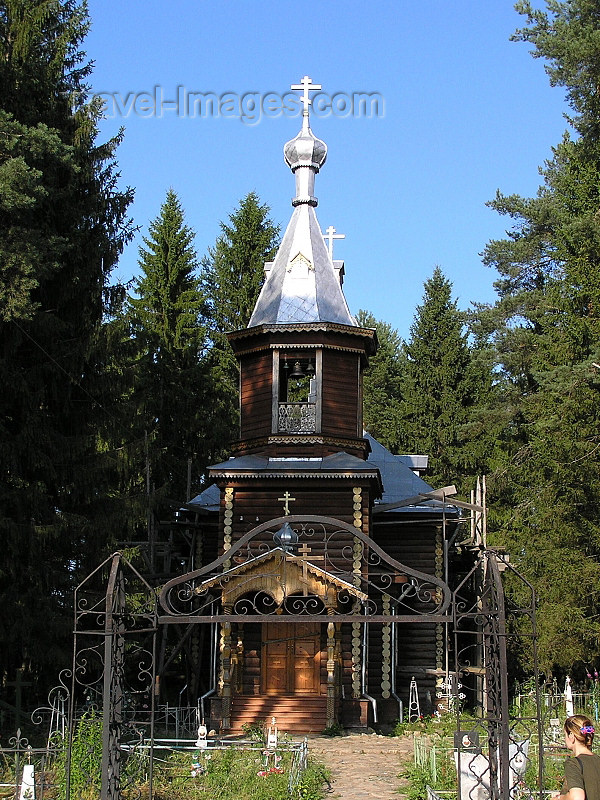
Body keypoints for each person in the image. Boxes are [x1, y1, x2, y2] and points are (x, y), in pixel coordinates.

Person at [551, 715, 600, 800]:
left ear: (571, 736)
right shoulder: (597, 760)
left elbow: (577, 797)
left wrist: (560, 798)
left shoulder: (574, 763)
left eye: (565, 735)